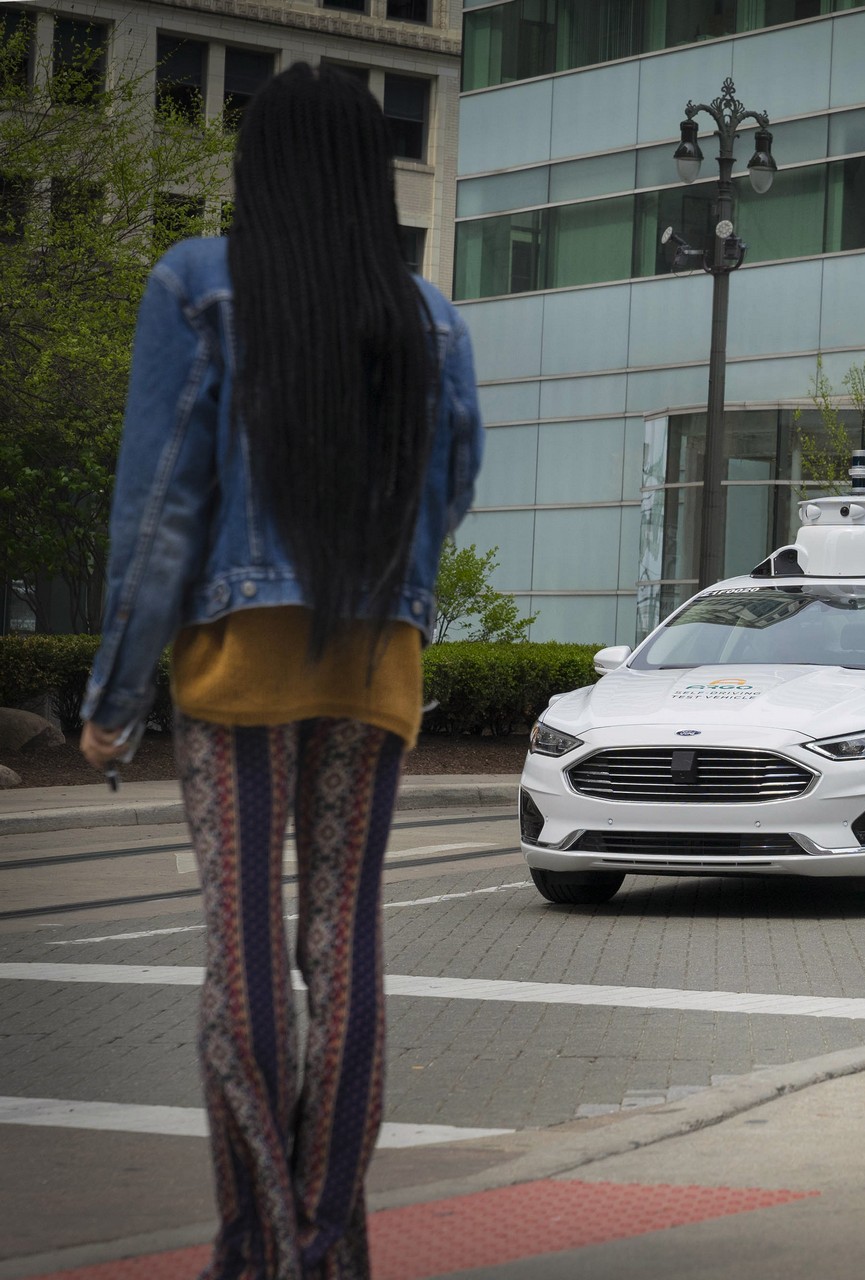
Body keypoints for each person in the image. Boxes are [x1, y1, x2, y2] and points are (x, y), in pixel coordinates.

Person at [77, 64, 482, 1278]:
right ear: (370, 173)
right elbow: (451, 487)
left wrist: (114, 698)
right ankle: (327, 1239)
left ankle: (262, 1245)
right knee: (344, 948)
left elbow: (161, 507)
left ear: (258, 166)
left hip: (240, 662)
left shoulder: (196, 283)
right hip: (374, 659)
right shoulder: (429, 317)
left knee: (243, 956)